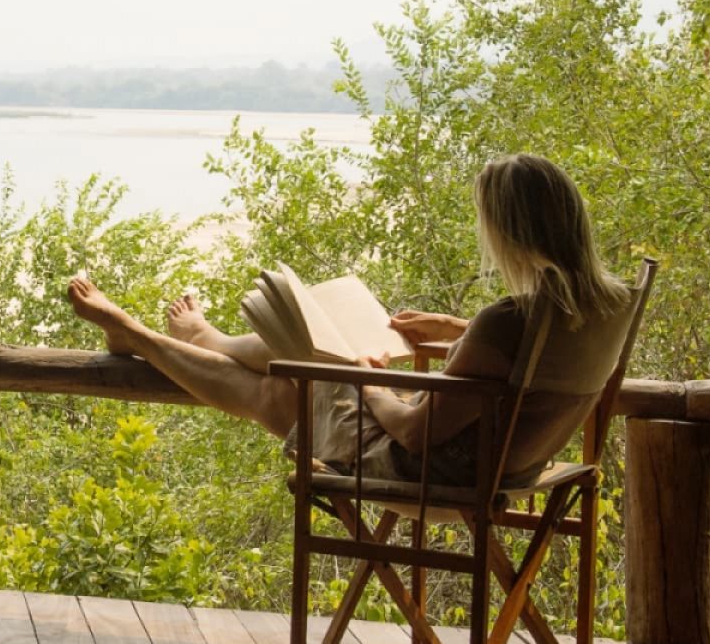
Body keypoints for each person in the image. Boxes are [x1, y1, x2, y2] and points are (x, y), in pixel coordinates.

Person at [65, 153, 634, 485]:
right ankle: (202, 336)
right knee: (311, 351)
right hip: (512, 468)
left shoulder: (506, 320)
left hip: (430, 474)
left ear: (508, 232)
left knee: (284, 390)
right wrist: (457, 329)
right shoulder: (608, 305)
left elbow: (415, 430)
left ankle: (138, 335)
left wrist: (373, 377)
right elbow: (540, 354)